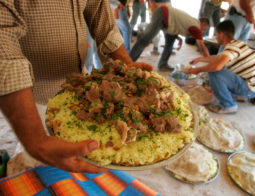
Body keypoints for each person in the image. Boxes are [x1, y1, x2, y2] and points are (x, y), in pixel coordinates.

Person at [0, 0, 153, 173]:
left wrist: (125, 67)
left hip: (81, 82)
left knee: (83, 165)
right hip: (33, 96)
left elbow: (99, 11)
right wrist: (35, 139)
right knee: (37, 166)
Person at [188, 20, 255, 114]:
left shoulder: (231, 48)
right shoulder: (238, 44)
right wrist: (199, 59)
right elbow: (218, 57)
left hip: (249, 89)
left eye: (216, 34)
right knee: (218, 67)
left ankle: (229, 106)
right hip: (251, 86)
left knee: (214, 71)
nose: (216, 37)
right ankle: (240, 96)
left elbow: (217, 66)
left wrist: (198, 70)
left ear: (222, 35)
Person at [130, 4, 210, 71]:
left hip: (167, 19)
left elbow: (178, 25)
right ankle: (128, 63)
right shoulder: (197, 27)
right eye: (204, 29)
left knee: (170, 42)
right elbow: (202, 47)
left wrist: (178, 37)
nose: (202, 32)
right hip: (162, 14)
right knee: (145, 40)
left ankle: (163, 65)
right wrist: (210, 61)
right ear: (203, 24)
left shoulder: (193, 22)